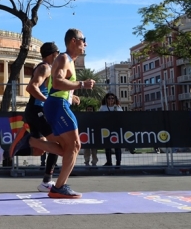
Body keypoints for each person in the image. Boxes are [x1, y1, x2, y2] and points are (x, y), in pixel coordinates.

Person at [23, 28, 94, 199]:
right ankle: (59, 186)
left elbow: (61, 85)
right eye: (83, 39)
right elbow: (57, 83)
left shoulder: (68, 60)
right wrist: (82, 84)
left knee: (67, 148)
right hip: (57, 105)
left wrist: (72, 94)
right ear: (73, 41)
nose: (86, 43)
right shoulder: (63, 58)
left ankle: (30, 141)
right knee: (75, 145)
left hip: (58, 104)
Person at [9, 42, 62, 193]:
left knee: (40, 151)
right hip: (37, 110)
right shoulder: (45, 67)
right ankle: (47, 181)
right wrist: (48, 102)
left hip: (36, 111)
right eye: (58, 54)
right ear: (54, 54)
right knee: (56, 142)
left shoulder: (49, 69)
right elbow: (31, 87)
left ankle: (3, 152)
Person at [101, 93, 123, 167]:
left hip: (116, 129)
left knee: (117, 146)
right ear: (106, 99)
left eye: (112, 98)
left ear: (115, 99)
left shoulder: (118, 107)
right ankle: (109, 162)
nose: (111, 100)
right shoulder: (103, 107)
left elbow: (121, 117)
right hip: (106, 129)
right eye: (109, 98)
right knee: (107, 146)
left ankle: (118, 161)